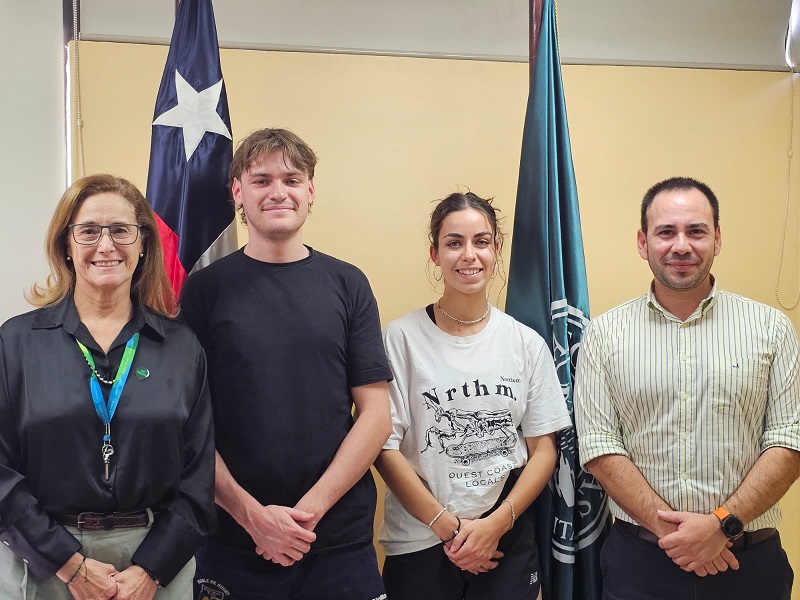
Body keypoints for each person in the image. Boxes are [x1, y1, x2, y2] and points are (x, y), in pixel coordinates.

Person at [180, 128, 392, 600]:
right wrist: (254, 518)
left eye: (292, 179)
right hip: (232, 540)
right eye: (261, 180)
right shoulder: (204, 291)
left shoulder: (348, 283)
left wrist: (305, 516)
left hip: (336, 542)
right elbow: (187, 426)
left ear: (310, 190)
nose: (278, 192)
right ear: (238, 191)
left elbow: (376, 417)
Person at [574, 176, 800, 599]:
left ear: (717, 238)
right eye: (666, 232)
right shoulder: (604, 335)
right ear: (643, 243)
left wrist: (721, 525)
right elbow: (600, 448)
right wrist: (683, 539)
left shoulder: (772, 330)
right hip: (641, 566)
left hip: (748, 564)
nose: (681, 245)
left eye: (696, 231)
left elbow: (789, 443)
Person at [0, 174, 215, 600]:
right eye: (89, 231)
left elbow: (199, 477)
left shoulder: (181, 347)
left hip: (158, 566)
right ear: (66, 244)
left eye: (121, 230)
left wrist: (151, 570)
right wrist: (69, 564)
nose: (106, 245)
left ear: (143, 244)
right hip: (49, 562)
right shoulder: (16, 343)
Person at [375, 191, 572, 600]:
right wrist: (452, 529)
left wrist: (495, 525)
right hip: (421, 541)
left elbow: (544, 451)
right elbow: (384, 449)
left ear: (496, 250)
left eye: (481, 242)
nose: (469, 255)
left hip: (505, 539)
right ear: (435, 253)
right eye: (454, 243)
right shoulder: (401, 339)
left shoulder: (525, 343)